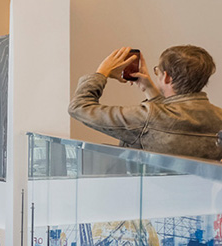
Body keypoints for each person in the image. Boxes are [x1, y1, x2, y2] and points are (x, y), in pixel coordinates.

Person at [69, 44, 222, 160]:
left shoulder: (147, 117)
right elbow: (173, 116)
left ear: (167, 77)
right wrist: (149, 89)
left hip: (150, 197)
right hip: (201, 198)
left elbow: (79, 107)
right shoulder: (218, 116)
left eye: (157, 71)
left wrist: (101, 73)